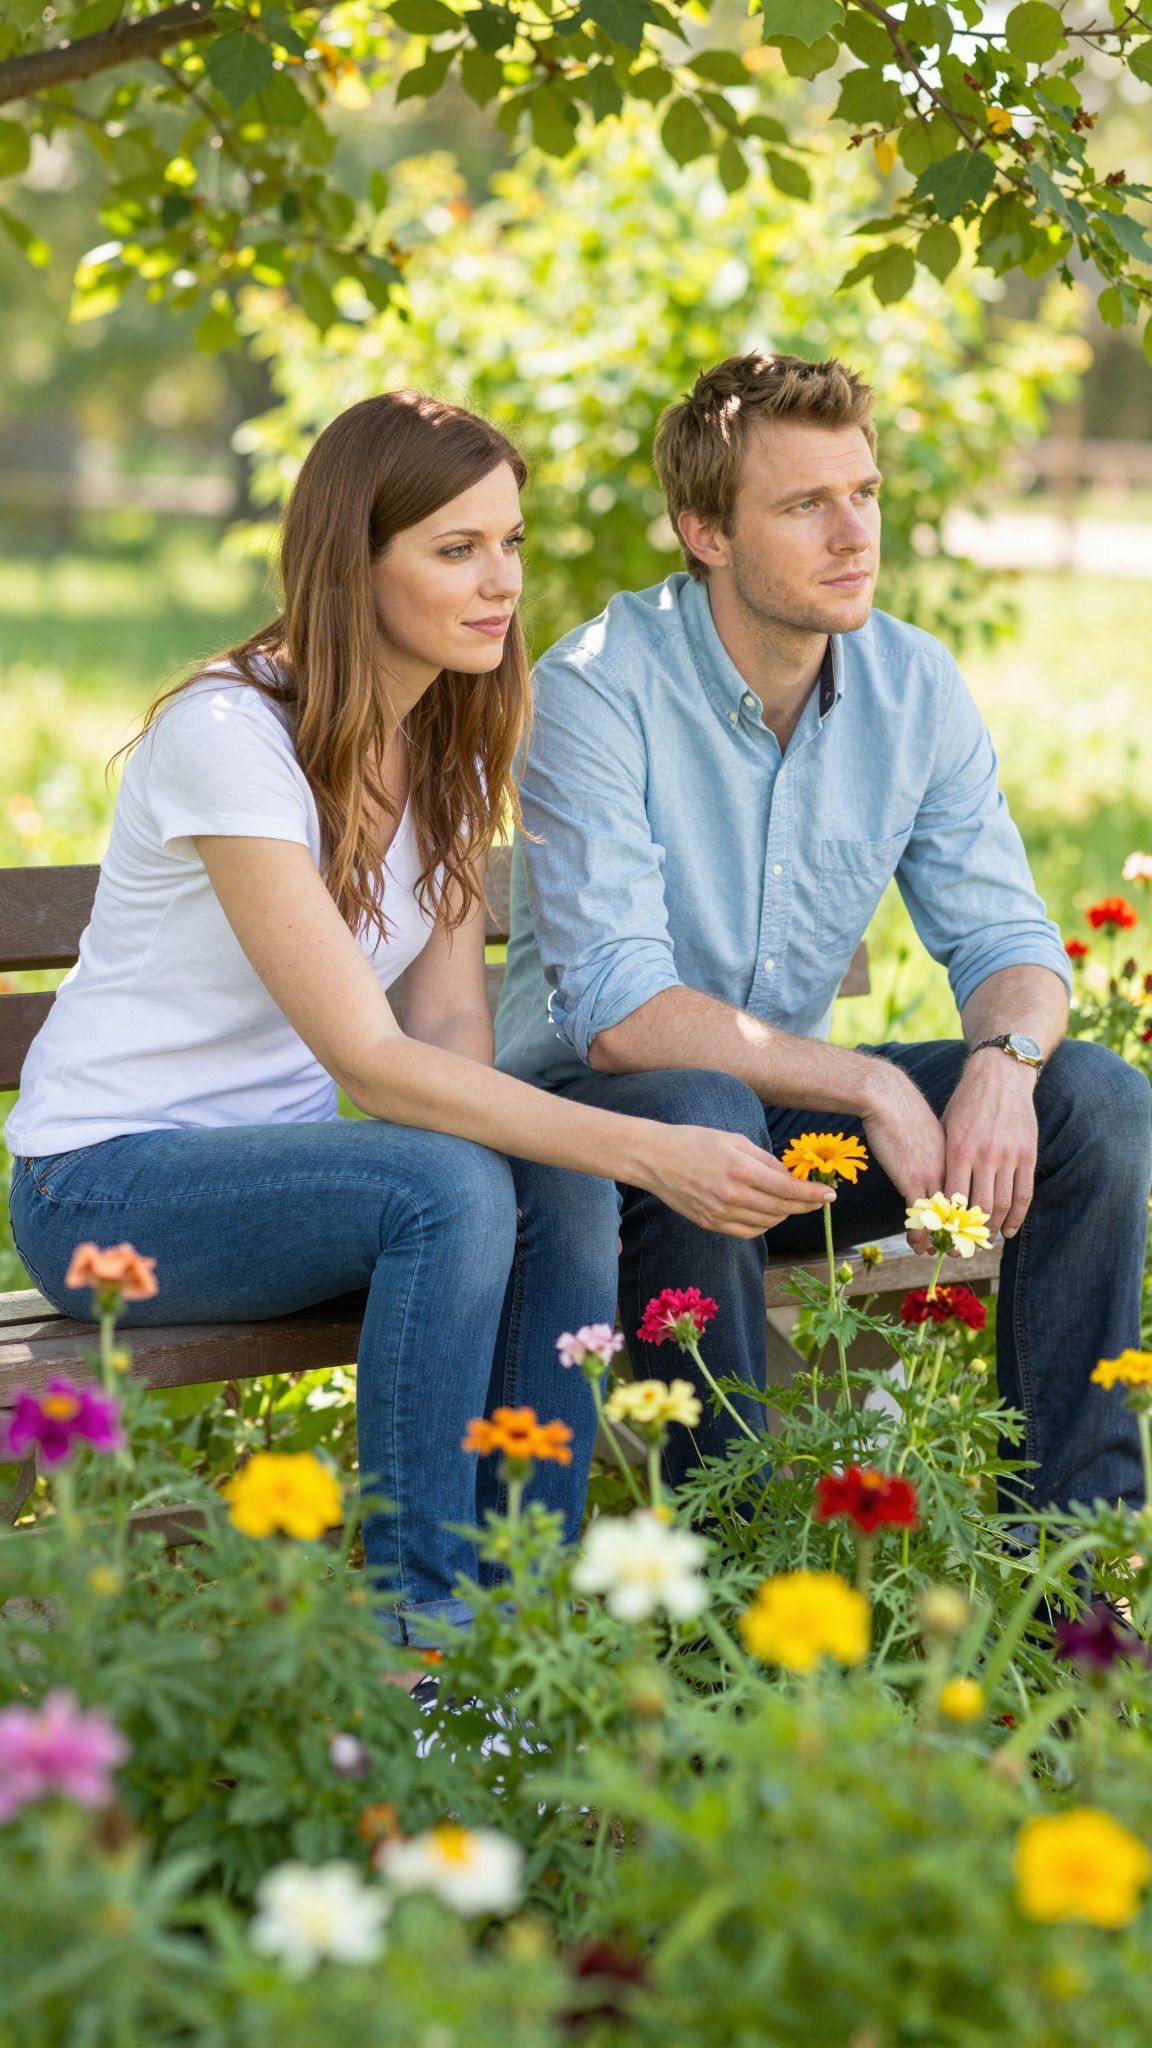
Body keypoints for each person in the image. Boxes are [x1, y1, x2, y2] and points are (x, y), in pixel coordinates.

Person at [5, 390, 834, 1651]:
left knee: (548, 1180)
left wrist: (569, 1162)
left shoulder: (447, 737)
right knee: (450, 1185)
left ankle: (525, 1615)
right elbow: (374, 1061)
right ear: (355, 562)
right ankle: (423, 1627)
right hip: (105, 1190)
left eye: (510, 542)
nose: (502, 581)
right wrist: (652, 1149)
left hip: (285, 1186)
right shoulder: (230, 734)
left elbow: (448, 1027)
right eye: (457, 548)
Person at [496, 351, 1152, 1518]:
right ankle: (732, 1558)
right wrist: (871, 1083)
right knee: (706, 1108)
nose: (855, 534)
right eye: (806, 504)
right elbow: (617, 1012)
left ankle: (1068, 1557)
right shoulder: (596, 688)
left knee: (1094, 1100)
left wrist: (1007, 1066)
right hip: (591, 1131)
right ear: (705, 531)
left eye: (865, 492)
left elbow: (1008, 935)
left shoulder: (913, 684)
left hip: (781, 1112)